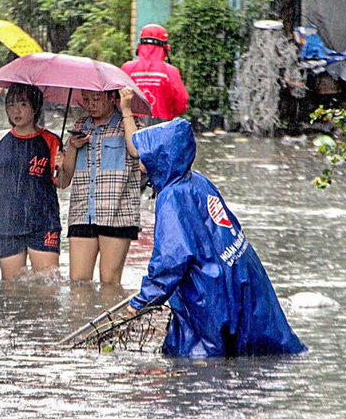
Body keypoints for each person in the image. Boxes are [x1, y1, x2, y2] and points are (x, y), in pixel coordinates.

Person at [125, 118, 308, 358]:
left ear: (161, 157)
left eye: (145, 154)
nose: (139, 159)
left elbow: (171, 258)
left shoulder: (172, 197)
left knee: (203, 361)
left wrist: (143, 300)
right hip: (239, 271)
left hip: (210, 286)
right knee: (257, 350)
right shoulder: (198, 181)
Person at [0, 83, 65, 280]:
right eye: (11, 105)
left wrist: (64, 165)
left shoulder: (51, 141)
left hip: (44, 221)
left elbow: (62, 183)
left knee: (48, 287)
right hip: (7, 223)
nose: (16, 111)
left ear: (35, 107)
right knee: (11, 290)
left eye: (23, 104)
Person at [56, 88, 141, 283]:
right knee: (78, 282)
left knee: (110, 282)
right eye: (86, 99)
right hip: (82, 211)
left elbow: (136, 151)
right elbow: (64, 181)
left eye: (96, 99)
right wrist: (69, 152)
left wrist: (126, 109)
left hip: (117, 214)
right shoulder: (79, 127)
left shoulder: (128, 124)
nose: (91, 105)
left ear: (113, 98)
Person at [121, 24, 188, 126]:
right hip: (161, 127)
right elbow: (181, 103)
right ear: (164, 47)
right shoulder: (170, 71)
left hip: (130, 125)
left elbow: (116, 98)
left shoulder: (127, 68)